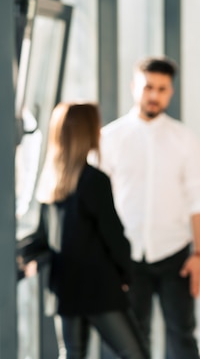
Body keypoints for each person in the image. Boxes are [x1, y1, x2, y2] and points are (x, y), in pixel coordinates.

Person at [98, 56, 200, 359]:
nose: (154, 95)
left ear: (170, 92)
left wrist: (199, 254)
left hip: (175, 256)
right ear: (134, 86)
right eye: (148, 86)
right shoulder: (109, 139)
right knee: (133, 342)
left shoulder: (185, 140)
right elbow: (98, 203)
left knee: (183, 338)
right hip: (126, 257)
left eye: (162, 89)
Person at [25, 102, 149, 359]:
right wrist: (127, 274)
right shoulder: (94, 180)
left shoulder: (50, 181)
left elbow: (43, 236)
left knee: (73, 354)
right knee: (135, 354)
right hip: (99, 289)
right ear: (89, 132)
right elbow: (113, 236)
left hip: (65, 288)